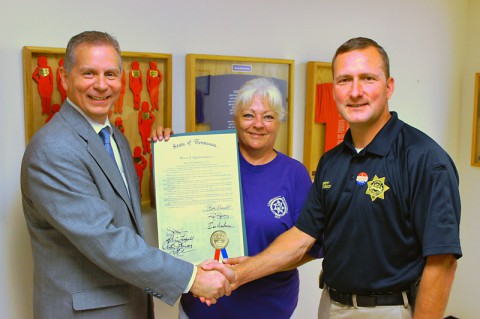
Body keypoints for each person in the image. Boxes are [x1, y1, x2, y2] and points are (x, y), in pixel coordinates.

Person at [205, 37, 462, 319]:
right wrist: (239, 273)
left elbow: (442, 262)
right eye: (344, 81)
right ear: (334, 90)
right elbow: (301, 237)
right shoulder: (331, 162)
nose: (355, 91)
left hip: (387, 310)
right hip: (331, 305)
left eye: (367, 79)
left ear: (389, 87)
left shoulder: (424, 159)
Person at [21, 30, 232, 319]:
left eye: (110, 74)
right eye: (89, 73)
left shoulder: (115, 138)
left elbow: (125, 220)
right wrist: (192, 278)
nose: (101, 85)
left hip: (127, 304)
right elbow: (104, 239)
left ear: (121, 79)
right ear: (63, 78)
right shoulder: (53, 148)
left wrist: (170, 157)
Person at [178, 77, 322, 319]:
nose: (258, 124)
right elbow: (172, 207)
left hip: (270, 308)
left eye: (268, 116)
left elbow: (309, 247)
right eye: (248, 115)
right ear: (234, 120)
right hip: (205, 307)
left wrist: (257, 266)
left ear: (279, 123)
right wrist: (163, 150)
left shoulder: (295, 174)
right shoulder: (204, 163)